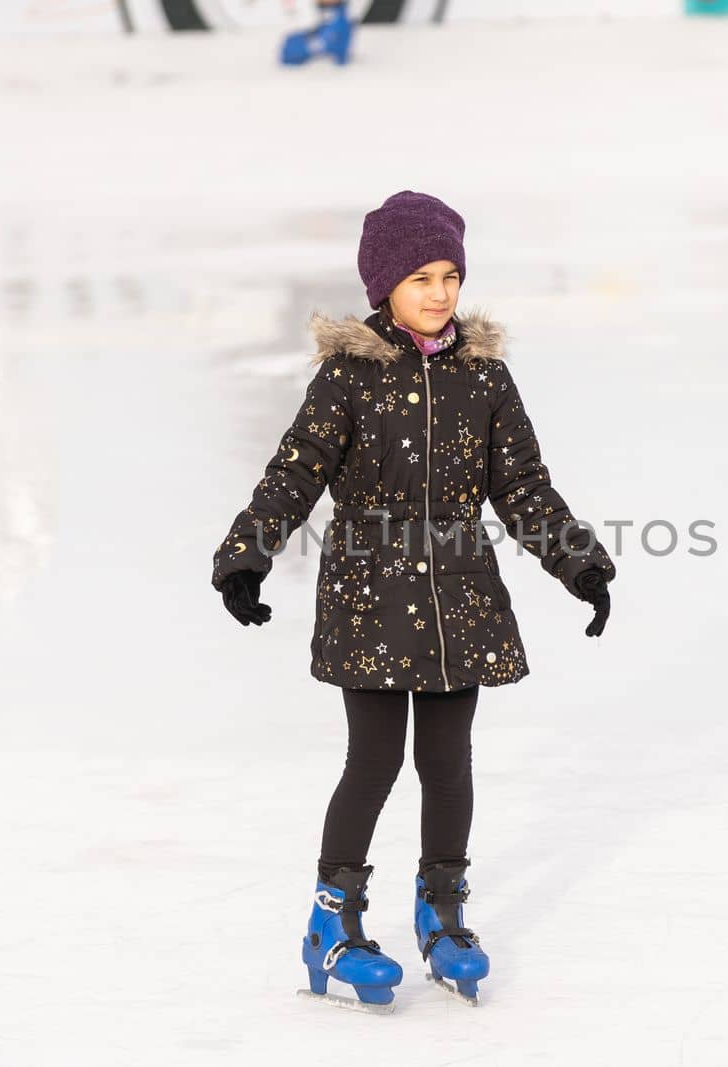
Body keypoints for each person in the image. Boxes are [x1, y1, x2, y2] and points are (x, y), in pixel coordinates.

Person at [211, 191, 616, 1011]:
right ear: (383, 285)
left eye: (450, 275)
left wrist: (581, 566)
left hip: (458, 594)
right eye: (421, 275)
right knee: (375, 759)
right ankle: (334, 921)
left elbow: (524, 487)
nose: (439, 292)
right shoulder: (350, 377)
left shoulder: (484, 378)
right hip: (367, 591)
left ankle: (442, 912)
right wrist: (245, 558)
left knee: (446, 761)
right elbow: (295, 474)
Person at [281, 0, 354, 66]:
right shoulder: (331, 17)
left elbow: (327, 44)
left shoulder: (340, 20)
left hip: (327, 67)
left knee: (292, 43)